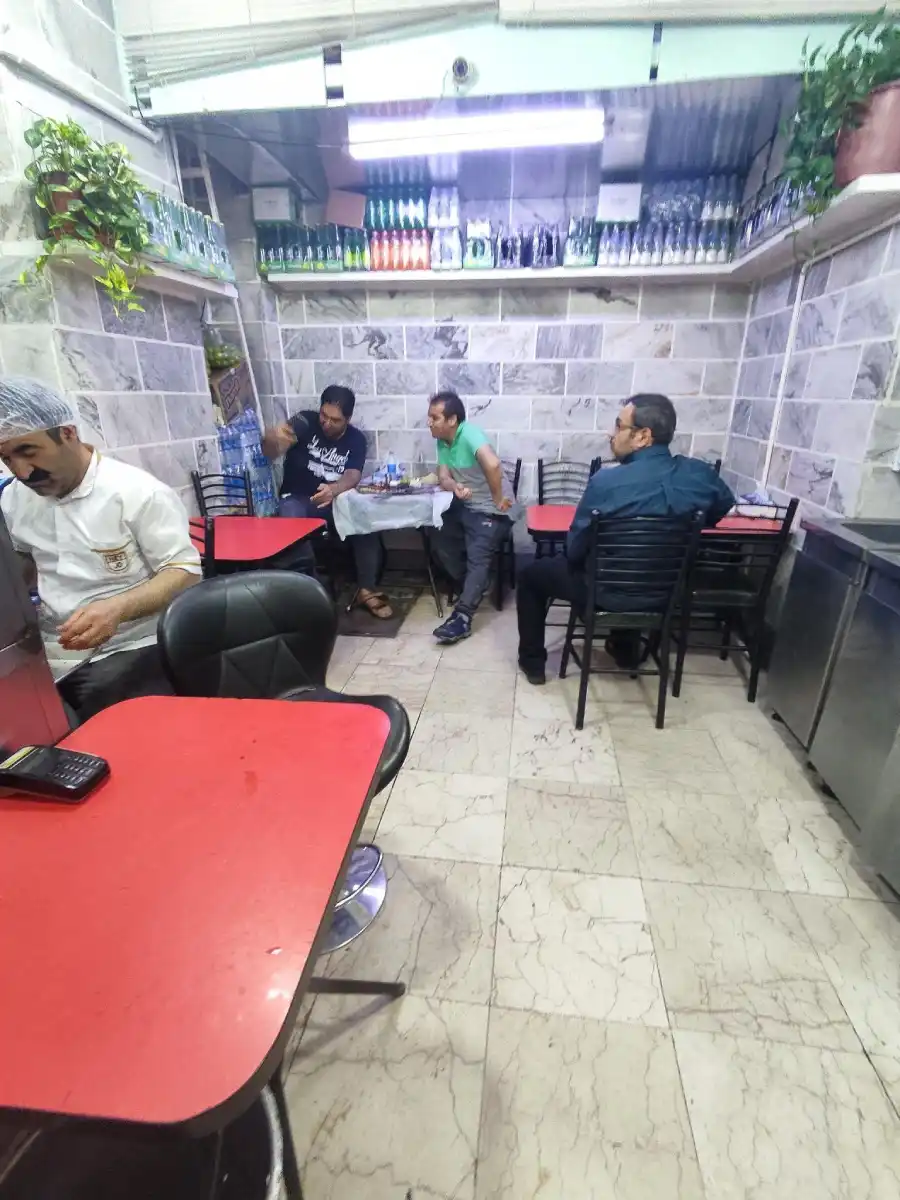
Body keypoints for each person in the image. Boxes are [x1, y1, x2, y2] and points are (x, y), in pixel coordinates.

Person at [0, 377, 202, 721]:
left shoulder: (137, 493)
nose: (22, 472)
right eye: (6, 458)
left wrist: (118, 608)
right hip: (56, 649)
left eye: (28, 451)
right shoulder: (14, 500)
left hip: (132, 645)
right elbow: (22, 566)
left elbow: (185, 572)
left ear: (68, 433)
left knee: (117, 729)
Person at [516, 393, 735, 685]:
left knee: (531, 576)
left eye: (619, 426)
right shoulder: (700, 475)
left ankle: (533, 664)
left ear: (643, 436)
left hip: (605, 592)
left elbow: (574, 549)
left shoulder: (606, 482)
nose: (611, 434)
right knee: (641, 566)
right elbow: (723, 505)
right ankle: (624, 649)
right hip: (665, 593)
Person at [262, 385, 391, 619]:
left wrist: (334, 489)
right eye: (324, 415)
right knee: (290, 517)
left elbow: (352, 474)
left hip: (333, 502)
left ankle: (367, 590)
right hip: (298, 499)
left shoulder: (356, 439)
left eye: (335, 420)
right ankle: (308, 591)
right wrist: (272, 440)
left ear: (348, 419)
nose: (327, 423)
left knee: (366, 519)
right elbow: (272, 450)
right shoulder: (305, 421)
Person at [427, 391, 518, 645]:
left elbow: (493, 464)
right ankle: (474, 583)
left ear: (452, 420)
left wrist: (498, 498)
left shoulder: (469, 433)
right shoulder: (442, 441)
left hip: (494, 510)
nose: (429, 423)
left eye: (435, 417)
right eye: (429, 417)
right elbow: (443, 476)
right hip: (468, 505)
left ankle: (463, 617)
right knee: (438, 532)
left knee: (478, 553)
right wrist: (454, 486)